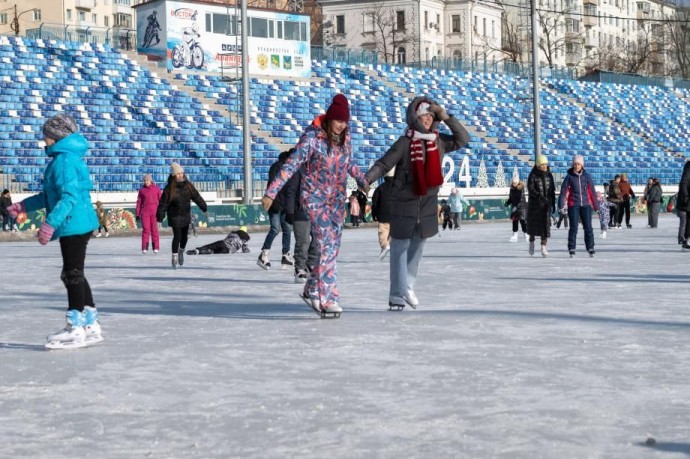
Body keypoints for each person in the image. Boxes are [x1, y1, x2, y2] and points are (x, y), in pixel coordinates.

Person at [262, 94, 368, 317]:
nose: (342, 125)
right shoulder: (311, 138)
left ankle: (311, 288)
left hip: (336, 200)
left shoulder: (346, 139)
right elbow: (291, 166)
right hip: (314, 199)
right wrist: (271, 192)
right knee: (326, 247)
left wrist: (363, 179)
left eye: (345, 121)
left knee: (332, 250)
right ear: (329, 118)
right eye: (338, 120)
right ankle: (329, 298)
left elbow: (348, 162)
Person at [364, 96, 470, 310]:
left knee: (419, 244)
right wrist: (367, 179)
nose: (428, 119)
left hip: (427, 203)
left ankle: (407, 286)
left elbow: (463, 139)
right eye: (424, 115)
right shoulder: (405, 142)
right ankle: (397, 293)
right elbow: (385, 163)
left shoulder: (438, 141)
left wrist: (446, 117)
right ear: (415, 117)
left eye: (431, 116)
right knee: (400, 246)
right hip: (405, 201)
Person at [6, 113, 101, 349]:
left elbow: (68, 198)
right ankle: (90, 324)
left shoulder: (64, 162)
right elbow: (49, 196)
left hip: (73, 224)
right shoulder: (64, 159)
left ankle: (75, 327)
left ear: (56, 136)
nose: (44, 139)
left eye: (46, 135)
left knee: (72, 273)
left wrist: (50, 224)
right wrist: (23, 206)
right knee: (74, 272)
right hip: (76, 222)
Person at [156, 162, 207, 269]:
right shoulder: (169, 189)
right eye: (178, 174)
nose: (180, 175)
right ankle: (174, 257)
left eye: (181, 173)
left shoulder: (188, 186)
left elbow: (196, 197)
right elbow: (163, 204)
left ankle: (181, 251)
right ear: (174, 175)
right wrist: (159, 218)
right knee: (177, 236)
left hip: (185, 215)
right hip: (174, 216)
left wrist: (204, 208)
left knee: (185, 237)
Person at [258, 150, 294, 270]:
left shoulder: (291, 169)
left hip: (285, 204)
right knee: (275, 229)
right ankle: (264, 254)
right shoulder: (277, 167)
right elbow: (273, 184)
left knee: (287, 230)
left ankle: (286, 255)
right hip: (275, 204)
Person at [558, 154, 598, 257]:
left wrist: (596, 206)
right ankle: (572, 247)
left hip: (585, 205)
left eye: (579, 164)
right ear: (573, 165)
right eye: (575, 164)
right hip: (573, 204)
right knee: (573, 227)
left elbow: (592, 192)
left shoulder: (587, 176)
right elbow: (563, 191)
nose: (577, 166)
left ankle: (590, 247)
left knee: (588, 227)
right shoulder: (569, 177)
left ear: (582, 165)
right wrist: (561, 205)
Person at [284, 165, 319, 283]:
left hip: (317, 212)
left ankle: (311, 264)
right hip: (301, 212)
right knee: (303, 241)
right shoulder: (298, 170)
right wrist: (290, 210)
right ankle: (299, 268)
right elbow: (291, 191)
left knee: (318, 240)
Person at [526, 155, 556, 257]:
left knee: (545, 226)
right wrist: (539, 197)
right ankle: (531, 242)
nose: (544, 166)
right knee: (533, 227)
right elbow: (531, 189)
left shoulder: (549, 175)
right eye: (542, 164)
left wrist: (553, 202)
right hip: (535, 206)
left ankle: (543, 246)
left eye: (545, 164)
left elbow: (552, 189)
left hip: (546, 205)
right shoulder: (533, 175)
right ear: (538, 165)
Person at [371, 167, 394, 260]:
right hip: (397, 215)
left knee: (383, 231)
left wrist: (374, 213)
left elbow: (375, 202)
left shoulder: (380, 188)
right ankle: (394, 247)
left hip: (383, 214)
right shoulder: (400, 187)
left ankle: (385, 245)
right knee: (395, 232)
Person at [135, 174, 162, 254]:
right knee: (146, 230)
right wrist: (137, 214)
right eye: (145, 181)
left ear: (151, 181)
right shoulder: (142, 190)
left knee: (154, 230)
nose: (146, 182)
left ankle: (155, 247)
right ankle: (144, 247)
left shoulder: (157, 189)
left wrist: (161, 212)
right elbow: (139, 203)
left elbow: (161, 202)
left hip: (155, 212)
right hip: (145, 213)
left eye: (147, 180)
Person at [186, 229, 250, 255]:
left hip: (223, 243)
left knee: (209, 246)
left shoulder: (233, 233)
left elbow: (227, 238)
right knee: (213, 252)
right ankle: (207, 252)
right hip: (228, 251)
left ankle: (198, 250)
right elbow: (245, 250)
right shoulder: (245, 241)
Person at [506, 177, 527, 242]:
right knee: (514, 222)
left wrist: (516, 206)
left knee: (522, 221)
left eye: (515, 182)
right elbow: (511, 198)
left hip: (521, 208)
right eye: (513, 182)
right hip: (514, 207)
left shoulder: (520, 189)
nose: (514, 183)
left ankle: (526, 234)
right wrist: (507, 203)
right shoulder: (511, 189)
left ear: (518, 182)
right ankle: (515, 236)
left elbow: (520, 199)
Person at [677, 161, 690, 248]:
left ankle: (686, 239)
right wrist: (686, 197)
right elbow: (683, 183)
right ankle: (686, 239)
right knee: (687, 221)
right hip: (687, 200)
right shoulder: (689, 169)